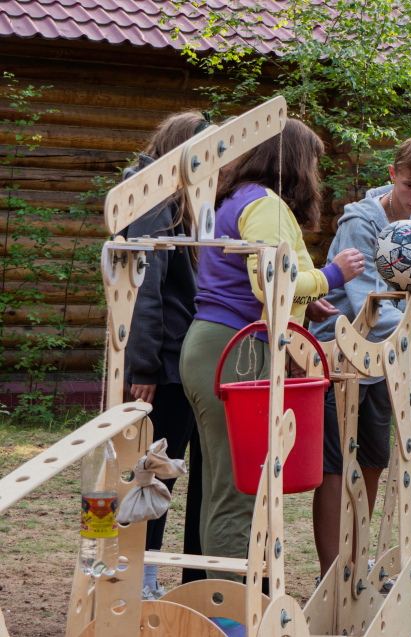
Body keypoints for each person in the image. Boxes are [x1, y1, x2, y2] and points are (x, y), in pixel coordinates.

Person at [180, 119, 365, 581]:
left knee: (223, 484)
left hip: (218, 346)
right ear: (297, 161)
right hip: (237, 352)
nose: (316, 174)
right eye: (314, 163)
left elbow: (262, 281)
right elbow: (270, 282)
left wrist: (305, 302)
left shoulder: (238, 198)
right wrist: (333, 275)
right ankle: (229, 607)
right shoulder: (265, 203)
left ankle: (224, 596)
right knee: (239, 489)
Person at [308, 137, 411, 577]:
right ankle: (332, 574)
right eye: (409, 186)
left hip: (387, 360)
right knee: (335, 467)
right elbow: (367, 300)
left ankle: (357, 561)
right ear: (392, 175)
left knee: (372, 460)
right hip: (340, 354)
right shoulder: (361, 222)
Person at [120, 111, 208, 599]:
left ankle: (180, 578)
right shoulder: (155, 200)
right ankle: (142, 576)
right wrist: (145, 366)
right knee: (154, 473)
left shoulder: (184, 200)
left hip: (183, 359)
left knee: (175, 471)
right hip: (164, 366)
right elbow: (143, 289)